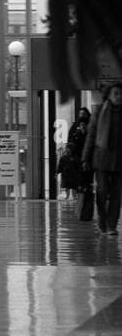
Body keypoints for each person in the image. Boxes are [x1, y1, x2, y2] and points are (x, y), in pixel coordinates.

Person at [85, 82, 122, 234]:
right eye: (116, 93)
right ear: (108, 95)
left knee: (116, 194)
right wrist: (85, 158)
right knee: (102, 191)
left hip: (120, 160)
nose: (119, 97)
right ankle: (102, 221)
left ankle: (112, 225)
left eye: (121, 94)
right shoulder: (100, 111)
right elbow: (91, 135)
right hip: (101, 159)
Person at [59, 107, 91, 203]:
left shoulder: (91, 126)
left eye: (84, 114)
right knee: (78, 176)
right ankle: (79, 195)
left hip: (89, 156)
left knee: (87, 177)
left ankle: (86, 195)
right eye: (80, 114)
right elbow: (70, 140)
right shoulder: (75, 126)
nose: (81, 116)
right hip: (77, 156)